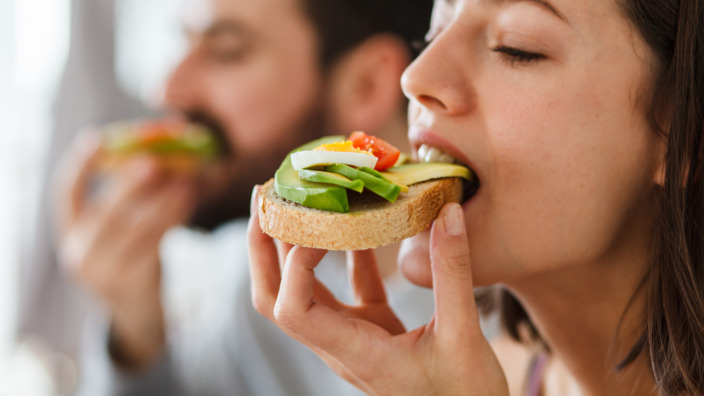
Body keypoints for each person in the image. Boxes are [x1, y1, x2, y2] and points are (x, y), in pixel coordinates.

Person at [248, 0, 704, 395]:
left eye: (517, 48)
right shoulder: (482, 380)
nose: (415, 76)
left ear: (685, 133)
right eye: (435, 31)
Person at [53, 0, 435, 394]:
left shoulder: (485, 327)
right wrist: (138, 329)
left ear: (366, 85)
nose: (166, 92)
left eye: (227, 52)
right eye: (184, 42)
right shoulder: (255, 278)